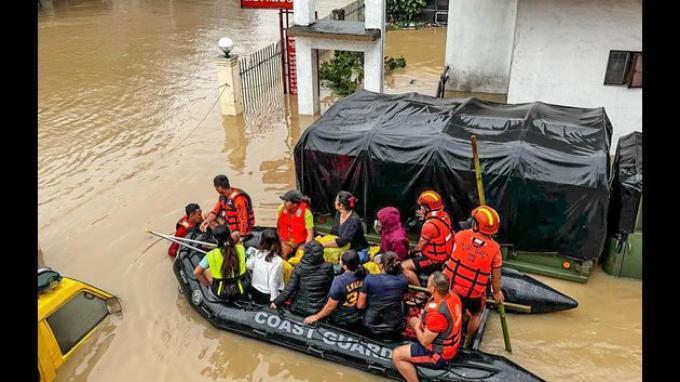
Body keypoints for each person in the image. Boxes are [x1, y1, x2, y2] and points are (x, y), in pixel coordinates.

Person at [443, 205, 504, 347]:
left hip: (453, 289)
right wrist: (496, 293)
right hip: (474, 294)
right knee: (476, 315)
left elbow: (450, 255)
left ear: (476, 224)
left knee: (451, 310)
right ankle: (468, 340)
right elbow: (496, 277)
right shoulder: (495, 250)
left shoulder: (460, 236)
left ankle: (450, 336)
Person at [392, 272, 463, 382]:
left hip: (439, 354)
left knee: (397, 355)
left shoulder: (437, 314)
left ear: (433, 289)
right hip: (446, 335)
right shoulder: (453, 296)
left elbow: (424, 341)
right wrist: (417, 322)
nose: (426, 286)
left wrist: (416, 327)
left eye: (428, 284)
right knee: (412, 320)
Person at [401, 190, 455, 286]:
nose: (420, 207)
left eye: (422, 205)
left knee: (403, 267)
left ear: (426, 207)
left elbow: (419, 247)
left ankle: (420, 292)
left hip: (434, 260)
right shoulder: (445, 216)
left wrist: (409, 252)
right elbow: (436, 223)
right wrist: (425, 217)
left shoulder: (429, 225)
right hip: (445, 256)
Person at [303, 250, 366, 328]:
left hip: (340, 318)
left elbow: (331, 306)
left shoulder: (339, 281)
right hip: (356, 315)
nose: (339, 261)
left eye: (340, 260)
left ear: (345, 266)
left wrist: (316, 317)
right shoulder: (364, 272)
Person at [271, 241, 334, 316]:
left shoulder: (299, 268)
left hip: (297, 308)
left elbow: (289, 289)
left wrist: (276, 302)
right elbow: (329, 287)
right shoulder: (328, 267)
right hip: (317, 310)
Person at [358, 251, 409, 337]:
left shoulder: (370, 279)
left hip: (370, 326)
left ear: (381, 266)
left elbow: (360, 305)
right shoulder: (403, 281)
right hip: (394, 326)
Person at [193, 225, 249, 302]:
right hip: (242, 290)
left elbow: (196, 273)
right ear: (230, 236)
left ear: (214, 239)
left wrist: (208, 284)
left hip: (222, 294)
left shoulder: (210, 255)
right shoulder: (241, 249)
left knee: (207, 271)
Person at [200, 174, 255, 243]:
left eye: (215, 187)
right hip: (230, 224)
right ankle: (220, 236)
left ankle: (224, 239)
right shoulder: (223, 197)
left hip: (239, 228)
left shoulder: (239, 199)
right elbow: (215, 212)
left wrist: (242, 236)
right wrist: (206, 221)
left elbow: (244, 219)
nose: (215, 190)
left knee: (235, 236)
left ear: (219, 188)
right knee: (207, 214)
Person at [321, 191, 370, 263]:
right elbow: (334, 233)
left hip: (358, 250)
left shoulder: (353, 220)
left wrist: (321, 245)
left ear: (341, 206)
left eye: (336, 200)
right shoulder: (338, 214)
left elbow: (342, 242)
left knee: (339, 267)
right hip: (345, 248)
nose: (334, 202)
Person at [245, 228, 285, 305]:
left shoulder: (256, 253)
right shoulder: (277, 260)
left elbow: (248, 266)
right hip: (267, 294)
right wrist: (274, 300)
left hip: (255, 289)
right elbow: (272, 281)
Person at [276, 190, 314, 259]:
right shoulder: (281, 209)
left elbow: (310, 234)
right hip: (286, 240)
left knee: (299, 258)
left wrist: (306, 247)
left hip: (301, 242)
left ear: (295, 204)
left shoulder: (306, 213)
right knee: (281, 255)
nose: (284, 203)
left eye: (287, 201)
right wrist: (281, 242)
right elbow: (278, 227)